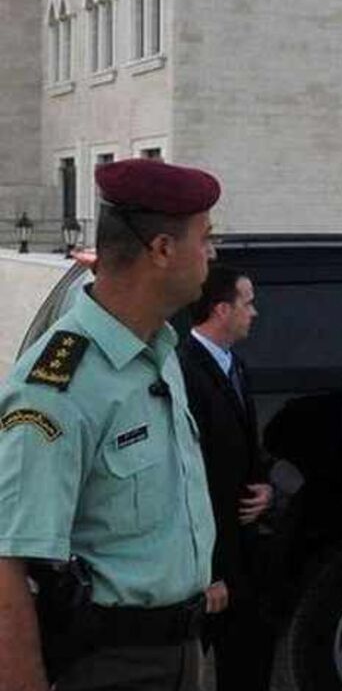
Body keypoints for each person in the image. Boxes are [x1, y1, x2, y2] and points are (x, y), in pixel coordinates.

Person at [0, 158, 219, 691]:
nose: (213, 254)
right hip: (109, 664)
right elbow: (8, 563)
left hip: (185, 651)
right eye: (205, 238)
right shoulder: (58, 386)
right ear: (163, 250)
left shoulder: (160, 349)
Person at [178, 265, 275, 691]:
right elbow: (191, 474)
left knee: (252, 654)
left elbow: (247, 452)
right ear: (221, 310)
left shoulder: (236, 366)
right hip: (211, 560)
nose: (254, 312)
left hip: (246, 549)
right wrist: (210, 571)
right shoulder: (185, 371)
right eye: (247, 302)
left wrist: (266, 488)